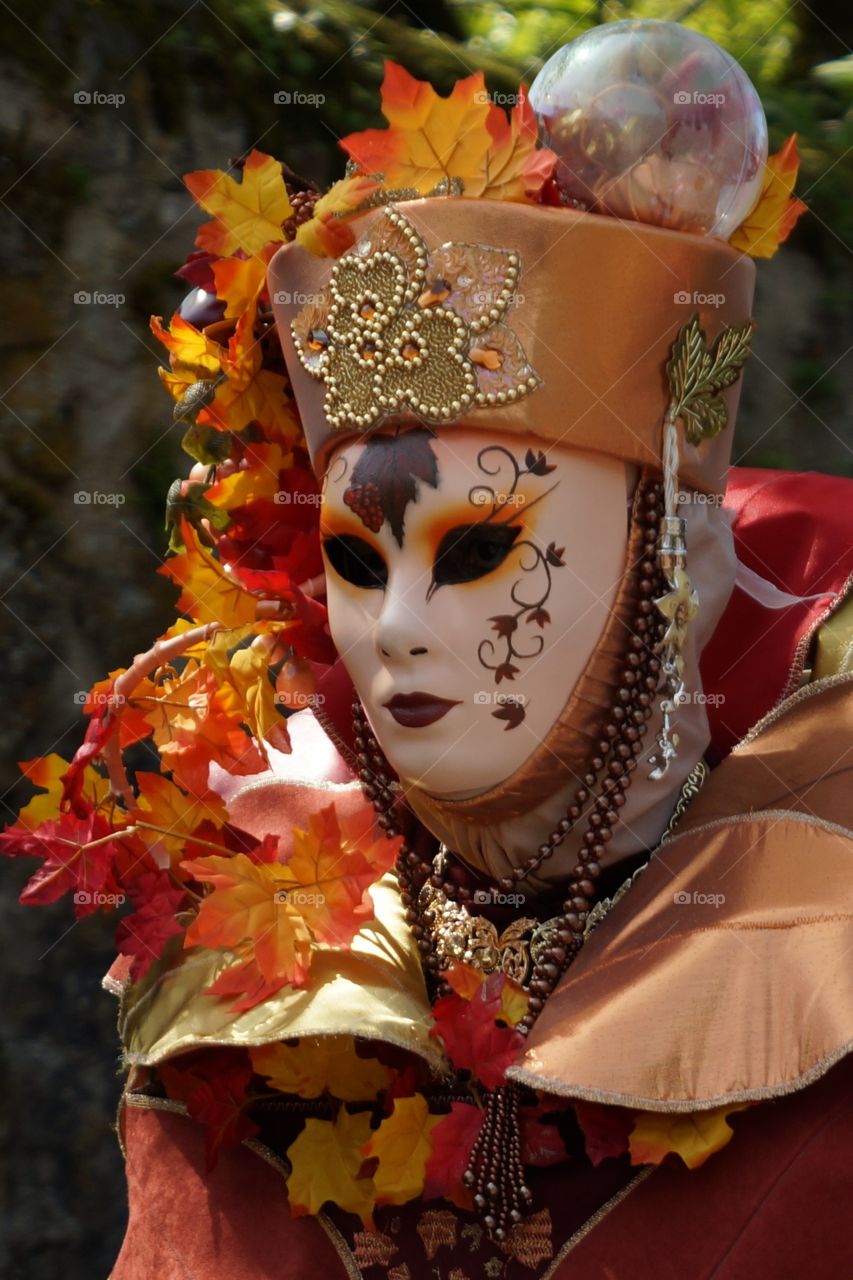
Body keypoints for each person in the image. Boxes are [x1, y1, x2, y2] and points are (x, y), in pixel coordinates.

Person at [4, 19, 851, 1279]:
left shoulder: (819, 892)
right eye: (356, 559)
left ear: (667, 547)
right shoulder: (256, 942)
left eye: (475, 551)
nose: (394, 626)